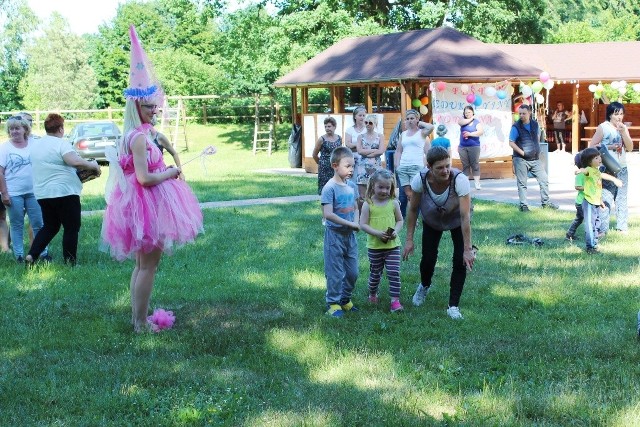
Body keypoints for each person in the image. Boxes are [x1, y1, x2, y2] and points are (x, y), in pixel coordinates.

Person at [101, 26, 204, 333]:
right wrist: (171, 172)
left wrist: (168, 148)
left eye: (155, 104)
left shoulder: (142, 134)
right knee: (149, 266)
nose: (155, 110)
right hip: (146, 204)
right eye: (149, 106)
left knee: (142, 265)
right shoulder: (136, 138)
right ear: (137, 106)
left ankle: (138, 318)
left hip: (143, 205)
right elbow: (145, 179)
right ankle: (138, 323)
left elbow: (153, 151)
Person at [403, 146, 475, 320]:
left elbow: (465, 217)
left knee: (460, 261)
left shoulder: (460, 180)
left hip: (457, 220)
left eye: (447, 165)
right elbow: (412, 210)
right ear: (429, 167)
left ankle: (453, 305)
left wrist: (467, 248)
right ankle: (424, 285)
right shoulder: (419, 179)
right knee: (428, 259)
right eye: (440, 167)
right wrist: (409, 240)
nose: (445, 171)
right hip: (432, 220)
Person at [24, 114, 101, 266]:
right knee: (71, 227)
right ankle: (70, 262)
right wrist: (93, 165)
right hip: (65, 192)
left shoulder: (36, 146)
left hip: (43, 193)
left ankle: (32, 255)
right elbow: (74, 161)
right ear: (60, 128)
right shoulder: (61, 144)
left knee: (50, 226)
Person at [0, 115, 49, 263]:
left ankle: (43, 253)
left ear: (25, 129)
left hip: (34, 191)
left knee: (38, 223)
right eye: (11, 129)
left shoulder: (35, 143)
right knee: (16, 224)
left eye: (17, 128)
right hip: (13, 193)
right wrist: (4, 193)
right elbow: (0, 172)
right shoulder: (4, 148)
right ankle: (19, 256)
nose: (14, 131)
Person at [320, 146, 360, 318]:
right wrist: (350, 224)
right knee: (335, 272)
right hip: (334, 237)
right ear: (335, 166)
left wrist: (356, 222)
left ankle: (345, 298)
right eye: (347, 166)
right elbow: (328, 214)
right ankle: (333, 302)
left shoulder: (352, 186)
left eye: (353, 166)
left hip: (349, 237)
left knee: (353, 272)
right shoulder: (329, 188)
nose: (351, 169)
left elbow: (357, 207)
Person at [359, 169, 404, 312]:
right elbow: (363, 224)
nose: (384, 191)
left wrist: (395, 232)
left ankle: (395, 301)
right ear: (372, 186)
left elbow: (400, 221)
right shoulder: (368, 204)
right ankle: (372, 294)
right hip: (375, 246)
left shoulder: (394, 203)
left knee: (394, 272)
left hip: (392, 246)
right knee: (375, 273)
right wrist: (378, 234)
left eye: (387, 187)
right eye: (380, 187)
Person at [589, 101, 633, 234]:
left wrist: (624, 132)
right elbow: (592, 146)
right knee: (606, 198)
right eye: (616, 114)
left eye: (621, 114)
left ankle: (622, 228)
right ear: (609, 115)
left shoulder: (623, 128)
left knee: (621, 199)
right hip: (606, 168)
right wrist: (610, 147)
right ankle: (603, 229)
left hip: (622, 168)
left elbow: (630, 148)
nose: (619, 117)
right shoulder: (603, 127)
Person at [509, 104, 559, 212]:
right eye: (520, 113)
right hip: (521, 159)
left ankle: (545, 203)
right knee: (522, 183)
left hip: (535, 159)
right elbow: (511, 143)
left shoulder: (535, 124)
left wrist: (538, 150)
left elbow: (536, 138)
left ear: (529, 113)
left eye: (524, 113)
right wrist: (522, 152)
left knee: (544, 179)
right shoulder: (516, 127)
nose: (521, 115)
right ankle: (524, 205)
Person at [578, 147, 622, 254]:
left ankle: (595, 244)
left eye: (599, 157)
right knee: (590, 224)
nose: (600, 159)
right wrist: (579, 170)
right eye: (596, 158)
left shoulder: (596, 172)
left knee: (596, 223)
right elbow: (585, 171)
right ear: (589, 161)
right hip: (589, 202)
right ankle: (590, 247)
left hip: (596, 202)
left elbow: (602, 177)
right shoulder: (589, 170)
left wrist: (614, 179)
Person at [394, 109, 431, 217]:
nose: (409, 121)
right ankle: (402, 218)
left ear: (417, 119)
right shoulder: (403, 134)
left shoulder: (423, 133)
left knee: (416, 193)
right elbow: (398, 151)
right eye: (408, 119)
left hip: (417, 166)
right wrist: (397, 165)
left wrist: (424, 166)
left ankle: (416, 217)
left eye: (412, 118)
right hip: (403, 167)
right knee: (403, 195)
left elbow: (428, 152)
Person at [355, 114, 386, 206]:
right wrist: (374, 150)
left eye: (370, 123)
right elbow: (359, 151)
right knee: (362, 195)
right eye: (366, 122)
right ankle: (361, 217)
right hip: (362, 167)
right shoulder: (360, 137)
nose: (368, 124)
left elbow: (381, 151)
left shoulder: (380, 136)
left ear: (375, 124)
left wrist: (367, 153)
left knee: (375, 192)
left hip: (376, 167)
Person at [312, 116, 342, 195]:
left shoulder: (339, 138)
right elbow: (314, 154)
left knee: (336, 189)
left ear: (334, 126)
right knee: (325, 190)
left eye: (329, 126)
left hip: (336, 168)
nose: (327, 128)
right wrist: (322, 163)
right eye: (325, 127)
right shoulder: (322, 139)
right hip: (324, 169)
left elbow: (340, 152)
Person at [458, 105, 484, 190]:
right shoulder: (462, 121)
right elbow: (460, 123)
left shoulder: (477, 122)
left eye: (469, 112)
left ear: (472, 112)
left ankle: (477, 183)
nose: (467, 114)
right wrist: (471, 118)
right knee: (465, 165)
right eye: (466, 113)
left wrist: (470, 134)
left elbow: (480, 132)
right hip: (463, 147)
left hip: (474, 146)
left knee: (475, 165)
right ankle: (466, 184)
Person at [344, 106, 366, 184]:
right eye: (360, 115)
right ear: (355, 117)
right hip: (353, 158)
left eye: (363, 115)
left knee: (364, 180)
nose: (362, 117)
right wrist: (360, 145)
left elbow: (369, 144)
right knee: (352, 180)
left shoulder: (367, 129)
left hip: (364, 158)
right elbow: (348, 144)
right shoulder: (350, 130)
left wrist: (356, 146)